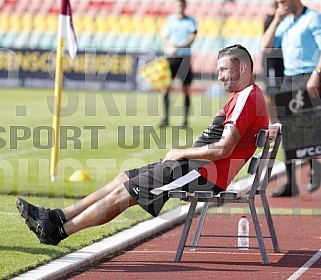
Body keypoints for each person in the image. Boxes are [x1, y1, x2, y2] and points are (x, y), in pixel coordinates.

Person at [16, 45, 269, 246]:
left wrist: (182, 152)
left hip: (204, 172)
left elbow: (223, 149)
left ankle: (58, 231)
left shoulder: (247, 98)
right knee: (122, 179)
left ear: (243, 68)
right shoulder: (245, 96)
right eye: (218, 70)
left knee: (125, 192)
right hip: (194, 167)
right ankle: (57, 215)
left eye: (224, 69)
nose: (219, 75)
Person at [262, 0, 321, 197]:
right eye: (278, 1)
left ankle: (316, 169)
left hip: (309, 77)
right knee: (287, 132)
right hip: (289, 80)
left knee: (312, 130)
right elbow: (266, 46)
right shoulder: (285, 23)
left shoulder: (313, 18)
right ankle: (291, 184)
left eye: (283, 0)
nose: (281, 3)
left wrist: (317, 73)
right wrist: (277, 18)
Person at [160, 0, 197, 127]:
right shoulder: (170, 21)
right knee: (166, 88)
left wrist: (179, 46)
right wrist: (171, 45)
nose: (179, 8)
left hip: (184, 58)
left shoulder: (191, 21)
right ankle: (165, 119)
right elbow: (165, 36)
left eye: (181, 5)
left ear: (185, 6)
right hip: (171, 57)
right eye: (177, 5)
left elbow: (192, 38)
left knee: (185, 89)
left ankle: (185, 120)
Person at [262, 0, 284, 124]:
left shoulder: (288, 20)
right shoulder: (270, 20)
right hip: (271, 61)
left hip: (283, 61)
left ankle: (281, 118)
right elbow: (265, 44)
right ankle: (273, 120)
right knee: (271, 92)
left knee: (282, 91)